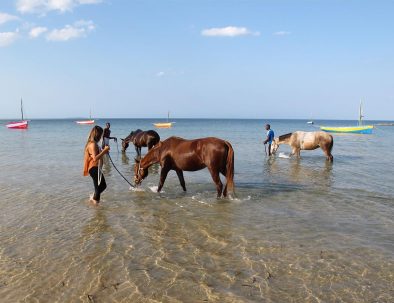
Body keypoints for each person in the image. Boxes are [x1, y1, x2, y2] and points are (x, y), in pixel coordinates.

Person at [83, 125, 110, 204]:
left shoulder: (94, 143)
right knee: (99, 188)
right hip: (93, 168)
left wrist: (104, 151)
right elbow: (95, 158)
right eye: (101, 134)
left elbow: (97, 154)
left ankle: (93, 199)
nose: (101, 136)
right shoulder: (93, 144)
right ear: (97, 134)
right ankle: (95, 206)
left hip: (95, 168)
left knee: (102, 186)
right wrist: (104, 151)